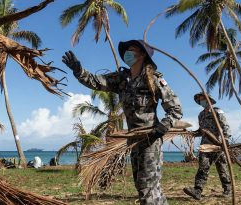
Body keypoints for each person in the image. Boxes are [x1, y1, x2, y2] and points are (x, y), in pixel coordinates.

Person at [62, 40, 183, 205]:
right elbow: (95, 81)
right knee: (144, 186)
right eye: (126, 50)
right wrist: (78, 70)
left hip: (150, 140)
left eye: (131, 50)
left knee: (148, 187)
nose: (127, 53)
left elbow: (175, 109)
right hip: (133, 140)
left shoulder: (154, 79)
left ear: (142, 55)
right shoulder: (121, 79)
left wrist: (162, 127)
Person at [183, 92, 232, 200]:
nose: (201, 101)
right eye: (200, 100)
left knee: (222, 168)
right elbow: (202, 130)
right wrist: (193, 134)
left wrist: (226, 140)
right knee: (203, 167)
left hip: (218, 145)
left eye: (203, 99)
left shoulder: (217, 111)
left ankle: (228, 190)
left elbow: (225, 126)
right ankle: (197, 191)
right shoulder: (201, 115)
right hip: (205, 145)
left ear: (209, 99)